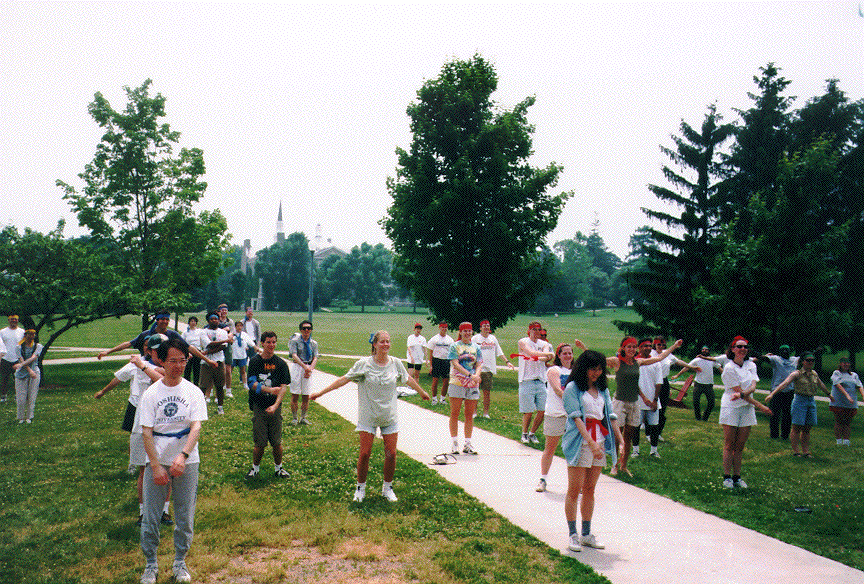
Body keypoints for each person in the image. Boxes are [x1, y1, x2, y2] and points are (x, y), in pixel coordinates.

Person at [310, 331, 429, 502]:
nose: (386, 345)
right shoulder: (364, 364)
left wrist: (422, 392)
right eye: (382, 342)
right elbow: (343, 380)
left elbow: (408, 379)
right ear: (374, 344)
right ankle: (360, 488)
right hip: (368, 415)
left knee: (391, 453)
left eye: (388, 341)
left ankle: (387, 488)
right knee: (365, 453)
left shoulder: (395, 363)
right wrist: (320, 393)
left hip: (389, 415)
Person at [138, 336, 207, 584]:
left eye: (182, 360)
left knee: (185, 516)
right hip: (157, 460)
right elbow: (146, 432)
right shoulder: (151, 394)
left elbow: (196, 427)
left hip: (187, 461)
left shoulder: (193, 392)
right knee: (151, 516)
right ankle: (150, 564)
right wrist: (156, 466)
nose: (178, 366)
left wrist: (183, 456)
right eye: (173, 361)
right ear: (161, 361)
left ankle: (180, 562)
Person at [96, 334, 173, 526]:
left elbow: (164, 379)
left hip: (165, 423)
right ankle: (143, 512)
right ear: (149, 350)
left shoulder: (169, 367)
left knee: (166, 468)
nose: (161, 353)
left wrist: (144, 366)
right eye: (157, 350)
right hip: (142, 422)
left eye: (164, 349)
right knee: (144, 470)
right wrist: (103, 391)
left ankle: (164, 510)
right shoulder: (137, 364)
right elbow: (118, 378)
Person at [561, 350, 624, 552]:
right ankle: (573, 534)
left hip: (600, 440)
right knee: (574, 490)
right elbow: (576, 418)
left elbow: (610, 416)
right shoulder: (573, 388)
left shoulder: (602, 389)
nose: (596, 373)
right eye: (592, 369)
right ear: (583, 368)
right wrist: (591, 443)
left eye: (599, 369)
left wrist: (620, 441)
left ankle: (586, 534)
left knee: (590, 489)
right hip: (581, 442)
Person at [597, 336, 682, 477]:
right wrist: (583, 348)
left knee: (629, 436)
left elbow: (659, 358)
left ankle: (624, 465)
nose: (631, 349)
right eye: (628, 346)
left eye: (633, 346)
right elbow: (597, 360)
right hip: (619, 402)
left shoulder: (638, 362)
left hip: (634, 403)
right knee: (618, 436)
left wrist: (674, 346)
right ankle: (614, 465)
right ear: (623, 348)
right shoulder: (617, 361)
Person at [720, 336, 772, 488]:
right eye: (739, 346)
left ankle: (737, 477)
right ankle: (727, 477)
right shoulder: (729, 368)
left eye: (745, 347)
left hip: (747, 408)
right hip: (731, 407)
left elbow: (753, 387)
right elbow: (738, 390)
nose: (743, 349)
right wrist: (761, 406)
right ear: (733, 349)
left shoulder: (751, 365)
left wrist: (742, 395)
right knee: (729, 444)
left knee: (740, 445)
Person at [536, 340, 585, 493]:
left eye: (570, 353)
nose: (568, 356)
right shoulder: (554, 370)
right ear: (559, 355)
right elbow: (558, 390)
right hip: (556, 414)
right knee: (550, 448)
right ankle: (543, 479)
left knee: (577, 449)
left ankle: (578, 483)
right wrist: (573, 403)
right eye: (564, 353)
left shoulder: (576, 371)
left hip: (573, 416)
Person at [97, 310, 215, 370]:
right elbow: (128, 344)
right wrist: (108, 352)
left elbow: (189, 348)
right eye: (162, 319)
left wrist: (207, 360)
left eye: (167, 319)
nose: (165, 321)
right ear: (157, 320)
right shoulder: (146, 334)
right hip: (148, 368)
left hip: (166, 369)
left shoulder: (172, 334)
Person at [766, 351, 830, 457]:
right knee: (797, 427)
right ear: (802, 362)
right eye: (808, 360)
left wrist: (829, 395)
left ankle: (806, 451)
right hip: (800, 401)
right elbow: (784, 384)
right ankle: (796, 451)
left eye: (812, 360)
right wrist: (772, 394)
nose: (810, 362)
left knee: (807, 428)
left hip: (811, 401)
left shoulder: (814, 374)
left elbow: (820, 384)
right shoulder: (796, 374)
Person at [245, 331, 290, 478]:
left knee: (276, 442)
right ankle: (255, 469)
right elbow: (251, 383)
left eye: (274, 342)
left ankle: (279, 468)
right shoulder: (255, 361)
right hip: (259, 406)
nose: (271, 345)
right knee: (260, 442)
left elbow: (283, 388)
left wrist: (276, 405)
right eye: (268, 342)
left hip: (275, 408)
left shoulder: (281, 364)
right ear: (262, 343)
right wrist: (269, 390)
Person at [650, 336, 697, 441]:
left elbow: (678, 361)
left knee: (662, 408)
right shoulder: (651, 354)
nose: (660, 347)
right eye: (658, 344)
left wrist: (691, 367)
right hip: (653, 382)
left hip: (664, 382)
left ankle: (657, 433)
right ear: (654, 345)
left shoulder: (668, 354)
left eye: (662, 345)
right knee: (652, 406)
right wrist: (675, 346)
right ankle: (648, 429)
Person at [447, 322, 483, 455]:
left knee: (469, 414)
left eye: (469, 330)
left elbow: (479, 363)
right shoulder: (454, 346)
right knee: (455, 413)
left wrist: (476, 375)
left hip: (472, 384)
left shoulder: (476, 347)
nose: (467, 333)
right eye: (465, 331)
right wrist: (469, 375)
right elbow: (455, 364)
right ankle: (455, 443)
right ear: (460, 332)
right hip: (457, 382)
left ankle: (467, 443)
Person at [517, 322, 555, 444]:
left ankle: (532, 433)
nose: (537, 332)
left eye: (539, 329)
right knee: (528, 411)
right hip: (526, 380)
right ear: (529, 331)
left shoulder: (545, 344)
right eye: (534, 329)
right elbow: (531, 353)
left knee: (542, 410)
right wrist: (545, 355)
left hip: (541, 380)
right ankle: (524, 434)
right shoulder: (523, 341)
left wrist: (540, 357)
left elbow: (548, 357)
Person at [472, 320, 515, 419]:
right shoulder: (475, 338)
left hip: (488, 370)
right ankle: (474, 412)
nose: (486, 327)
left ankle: (486, 413)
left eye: (488, 326)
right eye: (484, 326)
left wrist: (507, 362)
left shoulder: (493, 339)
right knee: (475, 392)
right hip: (477, 369)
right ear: (480, 328)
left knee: (487, 393)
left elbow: (499, 352)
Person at [631, 339, 664, 458]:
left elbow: (659, 382)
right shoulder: (634, 362)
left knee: (654, 427)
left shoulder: (656, 363)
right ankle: (635, 450)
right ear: (639, 348)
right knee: (636, 427)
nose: (648, 348)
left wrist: (655, 400)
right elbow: (633, 382)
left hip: (652, 401)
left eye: (650, 346)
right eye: (645, 346)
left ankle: (654, 451)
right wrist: (643, 398)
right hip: (637, 401)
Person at [759, 345, 799, 441]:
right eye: (783, 350)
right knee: (774, 414)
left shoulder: (795, 360)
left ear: (790, 351)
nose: (785, 351)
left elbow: (806, 357)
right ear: (779, 352)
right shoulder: (776, 359)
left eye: (787, 350)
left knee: (787, 414)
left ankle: (785, 435)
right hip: (776, 391)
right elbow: (763, 358)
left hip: (789, 391)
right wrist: (764, 355)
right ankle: (774, 435)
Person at [199, 311, 231, 415]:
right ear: (208, 321)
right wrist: (225, 340)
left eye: (216, 319)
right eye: (212, 319)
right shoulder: (203, 332)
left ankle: (220, 407)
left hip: (219, 361)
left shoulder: (223, 332)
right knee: (203, 386)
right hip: (206, 362)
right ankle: (200, 407)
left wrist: (208, 351)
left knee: (220, 385)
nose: (214, 321)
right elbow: (209, 344)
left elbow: (223, 347)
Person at [288, 320, 318, 425]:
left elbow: (315, 357)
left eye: (308, 328)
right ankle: (294, 418)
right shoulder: (295, 341)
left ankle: (303, 417)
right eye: (304, 328)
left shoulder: (314, 343)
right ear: (300, 330)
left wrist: (310, 369)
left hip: (308, 368)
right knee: (295, 394)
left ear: (311, 330)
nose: (306, 330)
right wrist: (304, 367)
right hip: (298, 367)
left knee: (306, 395)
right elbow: (294, 355)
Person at [678, 346, 720, 421]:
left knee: (711, 403)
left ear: (709, 351)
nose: (704, 350)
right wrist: (678, 375)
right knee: (696, 402)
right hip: (698, 384)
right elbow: (687, 367)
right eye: (703, 349)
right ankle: (698, 418)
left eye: (706, 349)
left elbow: (720, 369)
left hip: (709, 385)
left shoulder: (712, 361)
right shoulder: (697, 360)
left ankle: (705, 418)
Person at [829, 357, 864, 446]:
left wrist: (863, 395)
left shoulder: (854, 375)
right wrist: (847, 396)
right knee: (839, 421)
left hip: (851, 403)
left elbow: (859, 385)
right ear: (840, 364)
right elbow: (838, 385)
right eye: (844, 363)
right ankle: (838, 441)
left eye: (847, 363)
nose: (846, 364)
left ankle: (846, 441)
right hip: (839, 402)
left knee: (847, 422)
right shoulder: (836, 373)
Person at [13, 328, 42, 423]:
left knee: (32, 396)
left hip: (34, 372)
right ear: (25, 335)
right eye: (29, 334)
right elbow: (21, 359)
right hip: (22, 373)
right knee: (21, 397)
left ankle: (29, 416)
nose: (31, 336)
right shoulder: (18, 347)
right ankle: (21, 417)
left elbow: (33, 358)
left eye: (33, 334)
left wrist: (21, 365)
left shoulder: (38, 346)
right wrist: (29, 370)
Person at [425, 322, 454, 405]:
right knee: (435, 381)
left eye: (445, 327)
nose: (444, 329)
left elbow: (452, 353)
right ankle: (434, 399)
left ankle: (442, 399)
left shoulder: (450, 340)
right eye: (442, 327)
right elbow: (431, 352)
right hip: (436, 361)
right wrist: (431, 365)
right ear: (439, 327)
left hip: (446, 361)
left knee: (446, 381)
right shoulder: (434, 339)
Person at [0, 314, 24, 403]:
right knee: (4, 379)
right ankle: (3, 396)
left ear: (17, 320)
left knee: (18, 379)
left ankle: (17, 396)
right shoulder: (2, 332)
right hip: (5, 358)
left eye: (15, 319)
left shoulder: (22, 332)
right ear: (8, 320)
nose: (13, 321)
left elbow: (23, 345)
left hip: (17, 359)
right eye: (11, 319)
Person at [231, 320, 257, 394]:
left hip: (242, 355)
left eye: (240, 326)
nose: (239, 327)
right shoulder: (232, 335)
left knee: (243, 371)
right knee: (230, 371)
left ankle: (245, 384)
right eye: (237, 326)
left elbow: (250, 342)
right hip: (233, 355)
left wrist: (255, 347)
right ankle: (226, 384)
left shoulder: (244, 335)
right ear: (235, 327)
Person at [216, 305, 235, 398]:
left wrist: (224, 335)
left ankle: (228, 390)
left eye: (225, 310)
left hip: (227, 346)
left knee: (228, 369)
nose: (224, 312)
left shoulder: (230, 321)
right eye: (222, 310)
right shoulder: (215, 320)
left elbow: (232, 334)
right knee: (216, 368)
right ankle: (214, 389)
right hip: (218, 346)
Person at [181, 317, 205, 386]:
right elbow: (182, 341)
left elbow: (202, 341)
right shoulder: (185, 332)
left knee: (197, 369)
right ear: (189, 323)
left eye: (194, 321)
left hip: (197, 351)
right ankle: (187, 384)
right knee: (187, 369)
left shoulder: (199, 331)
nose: (193, 323)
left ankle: (196, 384)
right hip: (188, 352)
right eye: (191, 321)